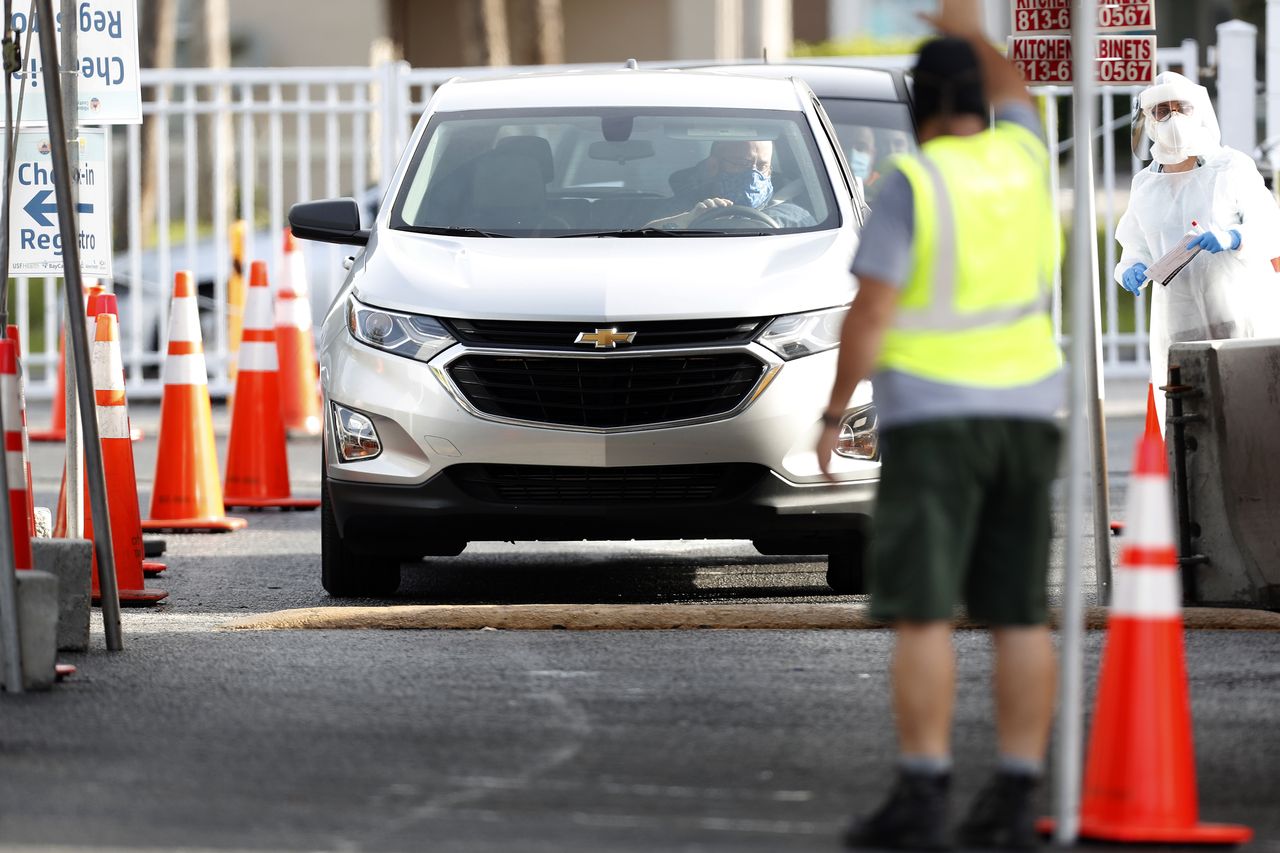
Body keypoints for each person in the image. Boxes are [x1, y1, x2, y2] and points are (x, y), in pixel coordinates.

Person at [815, 14, 1062, 852]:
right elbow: (1018, 90)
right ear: (985, 104)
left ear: (918, 105)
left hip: (934, 421)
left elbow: (872, 308)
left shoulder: (913, 184)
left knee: (923, 609)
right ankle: (1019, 792)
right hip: (1029, 415)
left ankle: (923, 790)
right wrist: (970, 29)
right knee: (1020, 611)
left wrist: (832, 410)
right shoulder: (1027, 161)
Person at [1115, 71, 1280, 429]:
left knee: (1247, 414)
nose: (1172, 117)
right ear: (1150, 122)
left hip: (1237, 313)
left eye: (1181, 107)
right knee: (1192, 422)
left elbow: (1269, 226)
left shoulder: (1231, 169)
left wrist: (1234, 238)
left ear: (1198, 112)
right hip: (1178, 321)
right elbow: (1135, 244)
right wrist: (1132, 267)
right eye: (1162, 111)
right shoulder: (1146, 185)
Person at [647, 139, 816, 229]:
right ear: (713, 166)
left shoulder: (795, 218)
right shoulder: (678, 208)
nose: (753, 174)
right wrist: (690, 219)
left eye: (762, 166)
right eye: (741, 163)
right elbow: (644, 240)